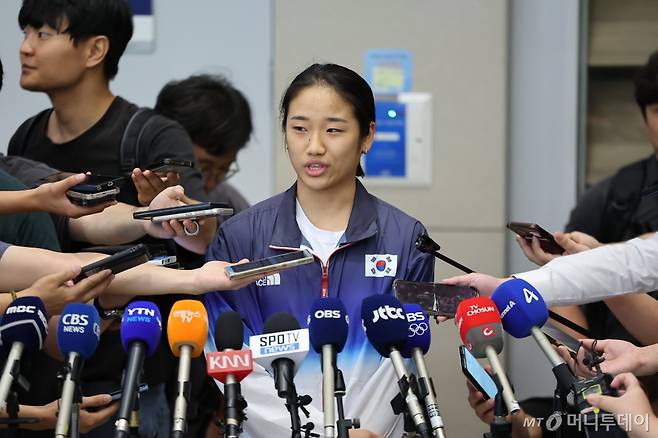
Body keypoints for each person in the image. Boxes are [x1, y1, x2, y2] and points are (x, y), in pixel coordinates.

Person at [203, 63, 434, 438]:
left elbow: (404, 354)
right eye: (299, 128)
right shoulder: (240, 238)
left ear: (367, 135)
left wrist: (366, 432)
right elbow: (228, 352)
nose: (314, 146)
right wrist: (301, 431)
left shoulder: (406, 238)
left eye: (333, 129)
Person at [155, 74, 253, 213]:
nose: (211, 184)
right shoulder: (121, 205)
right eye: (204, 169)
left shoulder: (230, 204)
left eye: (223, 170)